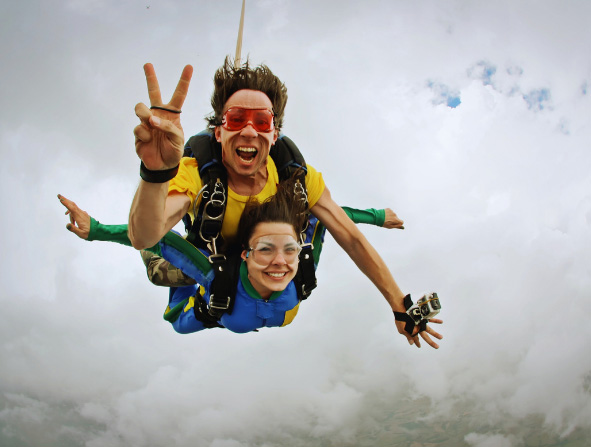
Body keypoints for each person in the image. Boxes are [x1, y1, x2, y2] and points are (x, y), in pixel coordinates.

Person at [128, 58, 442, 348]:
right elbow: (146, 236)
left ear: (275, 134)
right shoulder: (196, 173)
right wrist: (157, 173)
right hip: (215, 257)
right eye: (236, 119)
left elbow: (350, 237)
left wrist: (400, 305)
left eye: (261, 122)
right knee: (159, 268)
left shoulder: (296, 178)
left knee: (311, 221)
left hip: (262, 259)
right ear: (219, 132)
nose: (249, 130)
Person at [58, 187, 404, 333]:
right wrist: (96, 229)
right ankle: (190, 217)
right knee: (162, 272)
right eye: (266, 250)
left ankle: (198, 228)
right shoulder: (217, 278)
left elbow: (323, 218)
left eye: (289, 250)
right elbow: (157, 237)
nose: (281, 262)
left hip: (233, 304)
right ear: (247, 254)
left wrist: (377, 216)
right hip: (204, 299)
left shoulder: (301, 271)